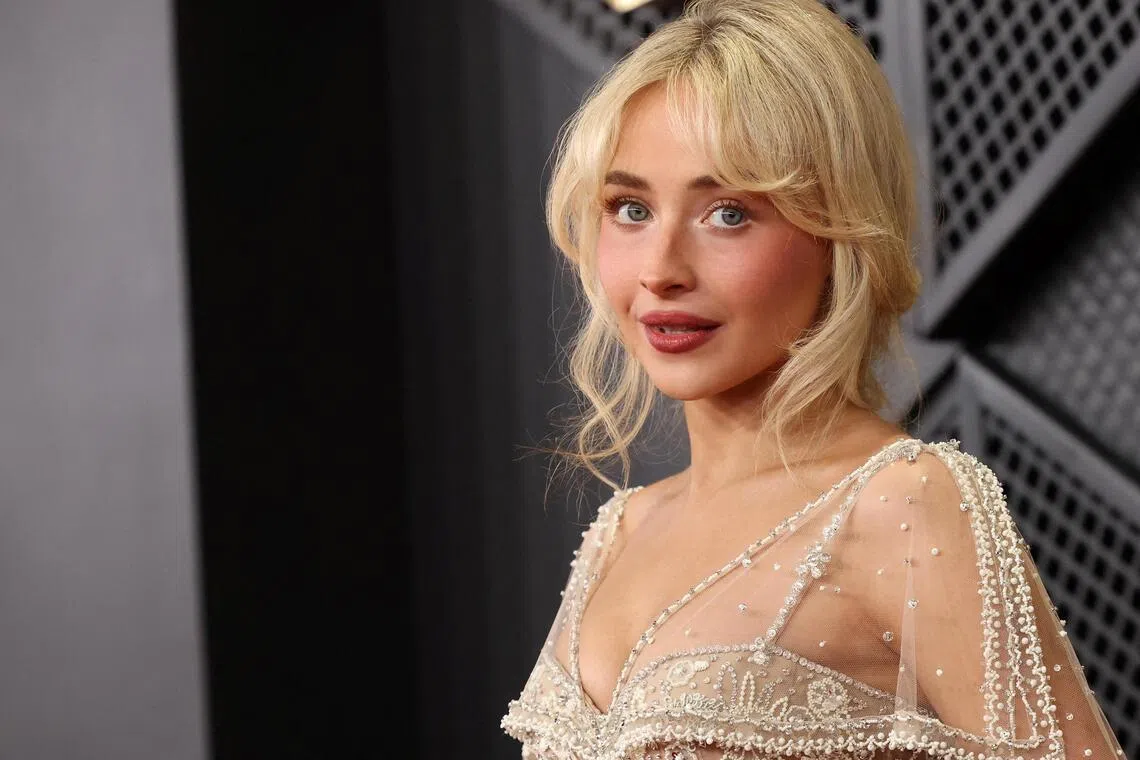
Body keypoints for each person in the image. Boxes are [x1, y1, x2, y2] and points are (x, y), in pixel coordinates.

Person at [500, 1, 1127, 758]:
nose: (661, 270)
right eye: (630, 208)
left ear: (841, 231)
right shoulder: (620, 532)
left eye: (728, 213)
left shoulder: (906, 500)